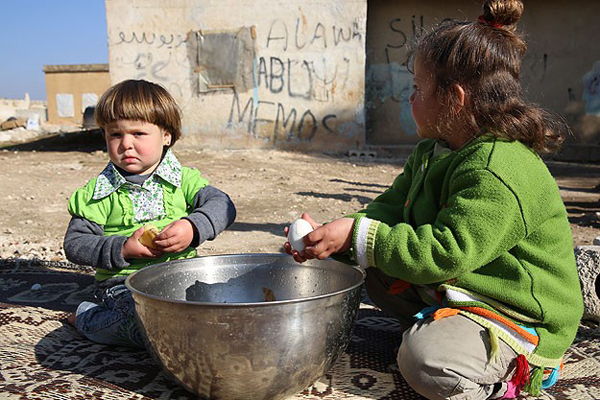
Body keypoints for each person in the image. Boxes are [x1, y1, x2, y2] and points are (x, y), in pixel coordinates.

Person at [284, 1, 583, 399]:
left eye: (418, 88)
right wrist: (334, 237)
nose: (410, 99)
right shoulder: (435, 151)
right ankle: (446, 331)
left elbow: (448, 250)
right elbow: (389, 209)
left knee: (425, 363)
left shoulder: (498, 168)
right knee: (365, 267)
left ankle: (509, 375)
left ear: (454, 99)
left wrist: (361, 236)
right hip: (465, 287)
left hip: (514, 313)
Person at [64, 79, 236, 348]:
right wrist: (123, 248)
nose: (126, 144)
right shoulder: (98, 192)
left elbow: (222, 204)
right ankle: (88, 317)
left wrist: (193, 227)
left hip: (182, 275)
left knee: (226, 306)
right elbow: (76, 244)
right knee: (142, 326)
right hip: (124, 285)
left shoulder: (183, 180)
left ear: (166, 135)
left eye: (138, 134)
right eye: (115, 135)